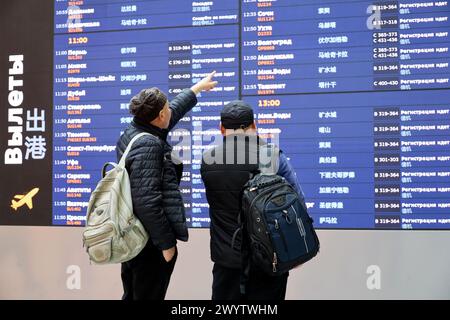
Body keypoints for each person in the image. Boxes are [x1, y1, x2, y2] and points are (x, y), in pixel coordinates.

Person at [116, 71, 217, 300]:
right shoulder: (150, 146)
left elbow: (174, 111)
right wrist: (166, 246)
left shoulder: (135, 132)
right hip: (149, 243)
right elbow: (147, 202)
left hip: (134, 235)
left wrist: (196, 89)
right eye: (168, 108)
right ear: (161, 115)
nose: (171, 110)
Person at [201, 100, 305, 300]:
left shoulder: (207, 160)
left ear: (221, 129)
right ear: (254, 126)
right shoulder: (272, 156)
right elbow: (297, 203)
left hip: (226, 261)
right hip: (269, 259)